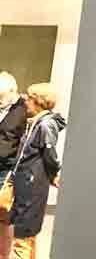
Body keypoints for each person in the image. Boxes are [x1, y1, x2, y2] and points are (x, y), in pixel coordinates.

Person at [7, 84, 65, 259]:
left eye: (29, 99)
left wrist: (54, 173)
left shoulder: (45, 125)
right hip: (26, 182)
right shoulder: (36, 123)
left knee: (24, 235)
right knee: (26, 235)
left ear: (38, 101)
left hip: (31, 185)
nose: (26, 102)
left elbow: (50, 154)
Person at [0, 73, 28, 258]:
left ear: (12, 92)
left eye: (1, 97)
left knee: (4, 216)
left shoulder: (23, 110)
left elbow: (20, 143)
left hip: (7, 170)